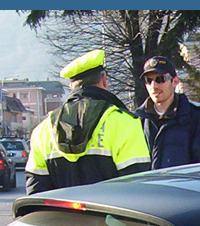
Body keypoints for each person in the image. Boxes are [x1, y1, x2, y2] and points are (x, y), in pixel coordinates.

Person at [25, 49, 150, 195]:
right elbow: (137, 189)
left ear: (72, 86)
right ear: (103, 79)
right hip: (110, 217)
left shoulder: (43, 129)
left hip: (60, 217)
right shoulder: (125, 122)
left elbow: (36, 192)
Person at [135, 54, 200, 169]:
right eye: (148, 81)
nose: (154, 86)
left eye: (160, 79)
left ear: (175, 82)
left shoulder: (196, 120)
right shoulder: (137, 121)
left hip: (180, 186)